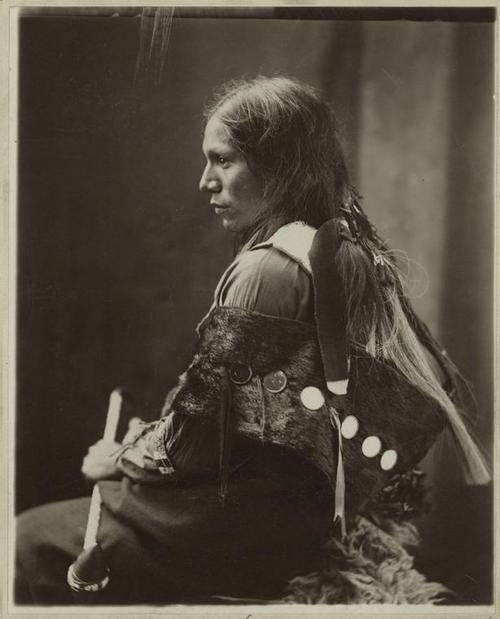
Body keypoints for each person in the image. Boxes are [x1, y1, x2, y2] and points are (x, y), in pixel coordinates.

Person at [15, 76, 490, 606]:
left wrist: (121, 456)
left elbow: (198, 437)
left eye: (223, 161)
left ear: (278, 166)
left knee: (25, 543)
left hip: (241, 533)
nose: (205, 182)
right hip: (290, 516)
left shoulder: (270, 268)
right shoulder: (344, 246)